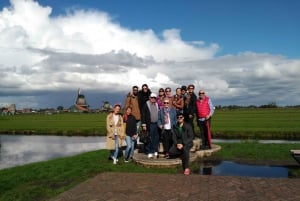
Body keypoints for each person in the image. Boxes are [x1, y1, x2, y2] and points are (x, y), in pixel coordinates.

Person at [141, 93, 160, 158]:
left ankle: (155, 150)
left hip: (156, 124)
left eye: (154, 98)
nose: (153, 99)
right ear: (149, 98)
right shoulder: (146, 104)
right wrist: (144, 125)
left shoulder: (157, 104)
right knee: (149, 138)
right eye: (152, 97)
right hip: (149, 124)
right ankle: (149, 151)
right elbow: (143, 115)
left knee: (156, 138)